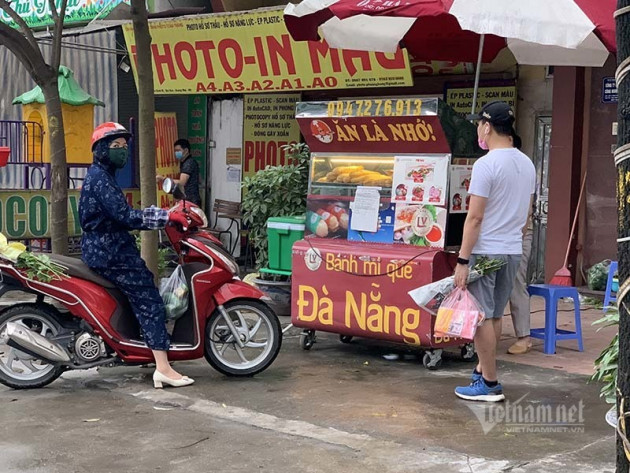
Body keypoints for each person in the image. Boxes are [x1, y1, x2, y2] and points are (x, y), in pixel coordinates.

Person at [79, 122, 194, 389]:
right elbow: (125, 216)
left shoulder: (102, 176)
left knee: (143, 283)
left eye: (124, 146)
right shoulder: (100, 179)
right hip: (109, 251)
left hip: (108, 247)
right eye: (115, 146)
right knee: (148, 297)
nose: (122, 151)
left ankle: (144, 350)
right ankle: (163, 368)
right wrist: (166, 216)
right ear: (101, 150)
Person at [453, 102, 536, 402]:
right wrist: (514, 239)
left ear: (487, 126)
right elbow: (526, 217)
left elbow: (474, 218)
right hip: (513, 249)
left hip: (486, 251)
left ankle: (489, 383)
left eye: (479, 125)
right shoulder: (527, 163)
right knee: (494, 314)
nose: (478, 130)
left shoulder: (485, 165)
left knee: (480, 317)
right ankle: (482, 368)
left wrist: (463, 259)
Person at [157, 138, 201, 207]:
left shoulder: (189, 163)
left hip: (191, 202)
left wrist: (163, 179)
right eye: (175, 151)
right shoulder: (184, 163)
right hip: (187, 201)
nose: (176, 153)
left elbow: (182, 182)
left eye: (178, 150)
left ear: (186, 150)